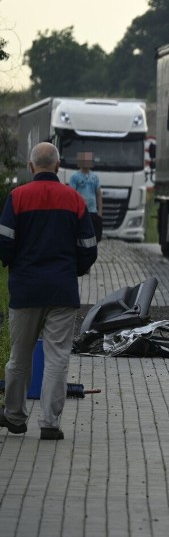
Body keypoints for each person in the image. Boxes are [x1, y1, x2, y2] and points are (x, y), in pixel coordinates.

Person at [0, 142, 98, 440]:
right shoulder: (75, 199)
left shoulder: (17, 197)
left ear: (31, 167)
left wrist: (14, 264)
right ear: (58, 167)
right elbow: (89, 248)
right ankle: (50, 424)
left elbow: (4, 242)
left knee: (19, 356)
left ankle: (14, 417)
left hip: (25, 291)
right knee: (57, 357)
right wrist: (74, 270)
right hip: (62, 291)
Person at [69, 151, 104, 242]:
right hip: (80, 211)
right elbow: (71, 194)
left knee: (94, 236)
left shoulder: (95, 177)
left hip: (93, 211)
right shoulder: (75, 177)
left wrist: (100, 212)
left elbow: (98, 194)